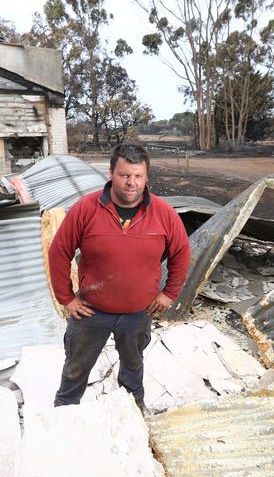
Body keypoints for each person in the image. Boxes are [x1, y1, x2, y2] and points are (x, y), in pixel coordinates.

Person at [48, 143, 191, 410]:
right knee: (75, 369)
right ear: (111, 173)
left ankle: (132, 411)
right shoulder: (85, 209)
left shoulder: (164, 214)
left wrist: (169, 293)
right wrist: (66, 298)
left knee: (133, 368)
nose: (131, 182)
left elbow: (181, 254)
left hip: (138, 313)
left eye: (138, 176)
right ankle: (65, 413)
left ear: (146, 177)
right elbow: (59, 252)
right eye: (124, 175)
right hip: (91, 312)